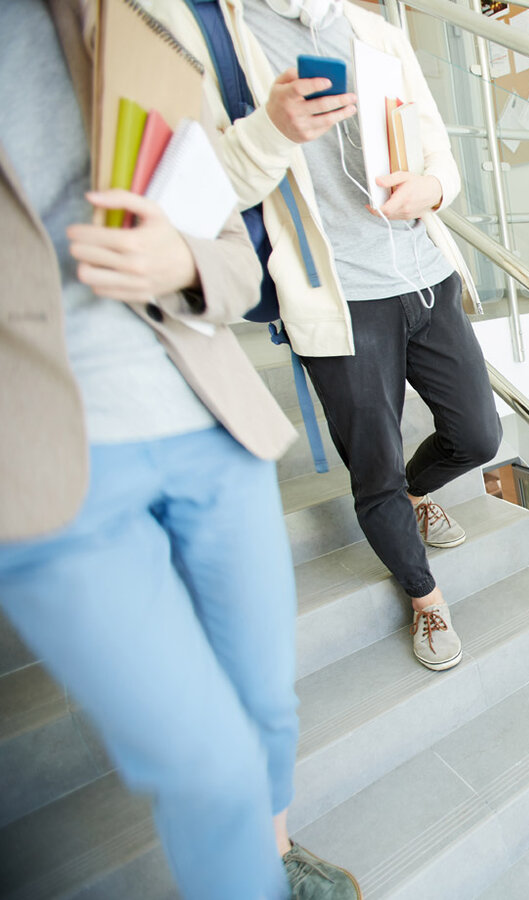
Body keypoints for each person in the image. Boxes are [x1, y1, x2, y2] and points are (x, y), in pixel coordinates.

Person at [0, 1, 358, 897]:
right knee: (208, 768)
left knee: (269, 713)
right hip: (45, 468)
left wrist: (182, 262)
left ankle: (273, 862)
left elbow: (235, 261)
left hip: (210, 429)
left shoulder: (136, 30)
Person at [149, 0, 502, 672]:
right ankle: (423, 595)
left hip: (426, 274)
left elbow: (440, 157)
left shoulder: (375, 31)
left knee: (478, 434)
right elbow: (202, 190)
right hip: (339, 295)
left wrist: (428, 186)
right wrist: (273, 129)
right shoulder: (212, 32)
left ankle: (417, 494)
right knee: (375, 469)